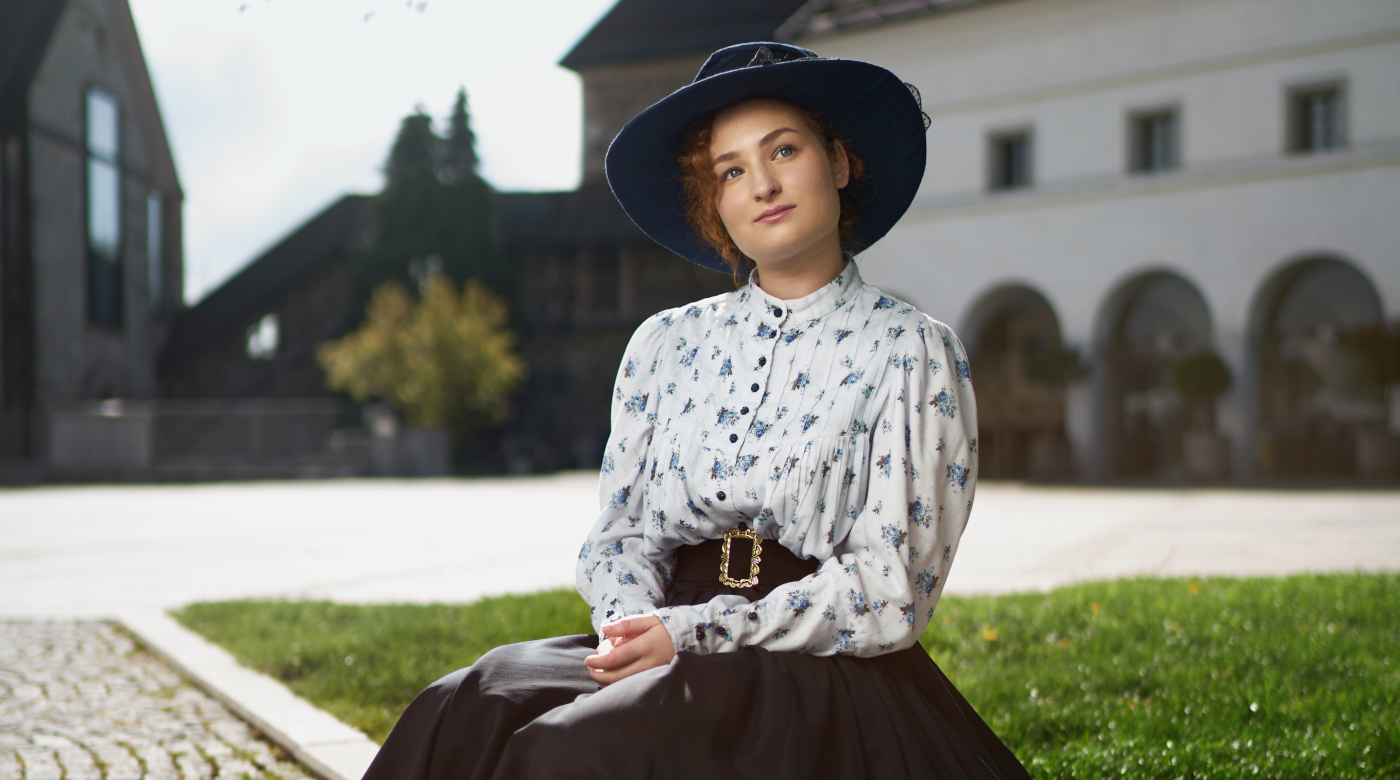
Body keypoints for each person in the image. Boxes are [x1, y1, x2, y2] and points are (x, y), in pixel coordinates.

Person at [361, 42, 1031, 780]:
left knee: (575, 752)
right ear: (712, 202)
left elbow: (888, 590)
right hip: (658, 636)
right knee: (468, 700)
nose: (763, 185)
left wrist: (690, 635)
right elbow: (620, 533)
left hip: (808, 662)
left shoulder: (910, 349)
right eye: (731, 170)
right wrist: (632, 630)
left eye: (784, 150)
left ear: (839, 164)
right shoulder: (665, 343)